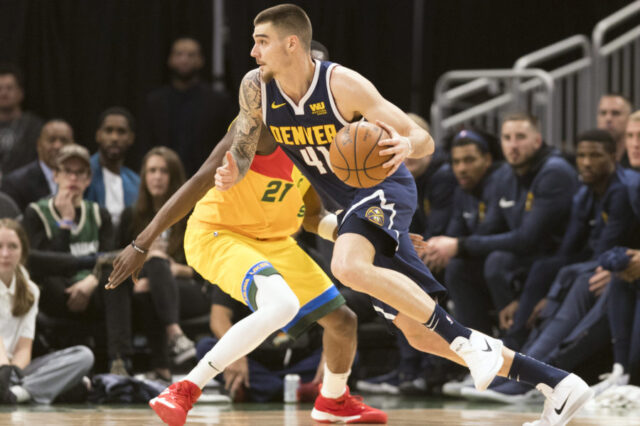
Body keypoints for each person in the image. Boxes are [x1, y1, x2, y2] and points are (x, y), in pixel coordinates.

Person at [111, 120, 387, 424]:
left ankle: (333, 400)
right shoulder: (260, 129)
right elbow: (198, 180)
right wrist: (142, 244)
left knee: (343, 321)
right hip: (218, 232)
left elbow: (312, 216)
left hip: (274, 242)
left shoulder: (314, 155)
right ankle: (184, 388)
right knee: (283, 305)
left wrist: (357, 234)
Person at [426, 114, 578, 333]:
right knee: (459, 267)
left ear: (537, 141)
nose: (513, 145)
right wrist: (446, 247)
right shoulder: (507, 175)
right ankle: (476, 351)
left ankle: (514, 337)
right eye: (507, 138)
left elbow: (528, 238)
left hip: (553, 258)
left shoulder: (554, 172)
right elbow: (490, 228)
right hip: (525, 257)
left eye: (520, 137)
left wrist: (459, 245)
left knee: (496, 262)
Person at [22, 144, 132, 375]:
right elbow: (40, 262)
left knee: (119, 279)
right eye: (67, 171)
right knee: (44, 274)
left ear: (88, 178)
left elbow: (110, 258)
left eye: (80, 172)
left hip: (92, 291)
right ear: (55, 175)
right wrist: (65, 223)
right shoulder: (36, 212)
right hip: (55, 294)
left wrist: (91, 281)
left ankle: (120, 362)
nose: (73, 177)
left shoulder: (98, 214)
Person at [117, 147, 206, 373]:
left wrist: (176, 270)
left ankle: (162, 365)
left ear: (173, 177)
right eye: (152, 170)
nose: (157, 176)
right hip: (144, 287)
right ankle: (172, 344)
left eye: (164, 171)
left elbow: (207, 267)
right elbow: (116, 258)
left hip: (188, 288)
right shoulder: (131, 216)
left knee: (156, 266)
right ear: (144, 176)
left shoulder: (191, 216)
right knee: (149, 282)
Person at [0, 218, 93, 404]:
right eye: (0, 246)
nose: (5, 253)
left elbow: (24, 347)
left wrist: (13, 373)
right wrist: (4, 369)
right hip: (2, 366)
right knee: (77, 383)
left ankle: (18, 393)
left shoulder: (29, 290)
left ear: (23, 252)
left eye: (12, 247)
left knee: (83, 356)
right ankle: (40, 388)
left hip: (14, 371)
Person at [139, 37, 235, 177]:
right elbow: (145, 145)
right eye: (179, 54)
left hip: (207, 179)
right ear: (170, 59)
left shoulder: (219, 102)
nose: (184, 60)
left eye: (191, 55)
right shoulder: (155, 102)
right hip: (164, 180)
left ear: (201, 60)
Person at [1, 119, 74, 211]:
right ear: (39, 144)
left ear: (73, 144)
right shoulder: (15, 183)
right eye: (51, 140)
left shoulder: (82, 180)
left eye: (64, 141)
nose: (57, 146)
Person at [85, 107, 140, 227]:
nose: (114, 138)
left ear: (131, 138)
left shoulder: (136, 182)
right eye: (109, 131)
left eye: (121, 132)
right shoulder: (82, 173)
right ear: (98, 135)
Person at [0, 64, 44, 178]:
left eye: (9, 88)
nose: (4, 93)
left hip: (24, 187)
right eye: (0, 88)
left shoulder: (35, 127)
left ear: (20, 93)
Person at [596, 94, 632, 167]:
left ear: (629, 118)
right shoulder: (587, 160)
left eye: (615, 113)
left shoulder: (636, 157)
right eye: (603, 113)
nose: (608, 119)